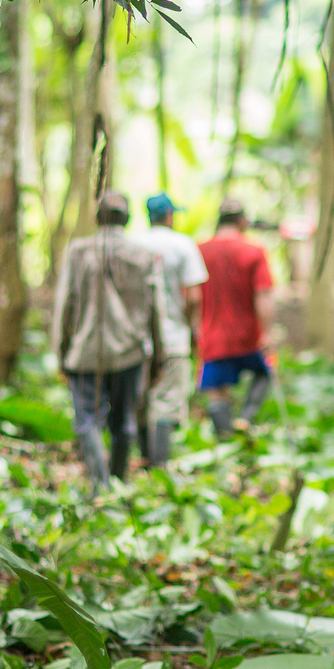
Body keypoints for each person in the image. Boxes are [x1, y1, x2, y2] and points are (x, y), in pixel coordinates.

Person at [52, 189, 162, 492]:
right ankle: (116, 483)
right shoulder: (142, 255)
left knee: (86, 420)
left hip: (85, 352)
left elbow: (65, 305)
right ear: (127, 219)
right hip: (130, 352)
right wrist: (158, 357)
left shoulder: (79, 251)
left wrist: (61, 351)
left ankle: (99, 485)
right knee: (123, 421)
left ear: (97, 217)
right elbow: (156, 311)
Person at [132, 192, 208, 468]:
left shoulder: (133, 244)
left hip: (138, 339)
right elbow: (194, 296)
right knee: (167, 401)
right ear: (169, 216)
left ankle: (143, 457)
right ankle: (159, 466)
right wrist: (192, 328)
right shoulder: (183, 245)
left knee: (141, 401)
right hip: (173, 336)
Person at [196, 199, 276, 438]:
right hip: (248, 335)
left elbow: (191, 296)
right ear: (242, 221)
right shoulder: (254, 251)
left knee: (217, 393)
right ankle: (246, 418)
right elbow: (264, 295)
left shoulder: (200, 250)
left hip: (213, 336)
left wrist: (193, 328)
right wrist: (268, 332)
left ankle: (226, 440)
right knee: (265, 371)